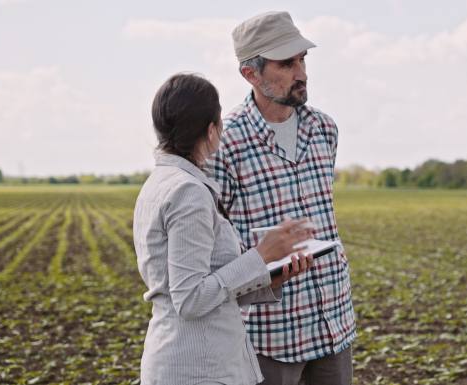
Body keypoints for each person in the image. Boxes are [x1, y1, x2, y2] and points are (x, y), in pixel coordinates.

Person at [133, 73, 314, 385]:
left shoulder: (161, 182)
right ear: (211, 129)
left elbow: (205, 285)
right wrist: (261, 255)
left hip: (187, 362)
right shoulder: (186, 192)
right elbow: (190, 299)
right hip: (198, 368)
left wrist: (268, 276)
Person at [208, 11, 356, 385]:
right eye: (286, 63)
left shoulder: (325, 129)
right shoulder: (227, 143)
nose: (301, 72)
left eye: (302, 59)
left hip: (333, 320)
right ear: (251, 74)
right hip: (270, 333)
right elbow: (215, 240)